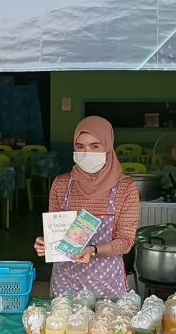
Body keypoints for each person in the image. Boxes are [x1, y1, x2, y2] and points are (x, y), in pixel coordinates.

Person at [34, 116, 139, 296]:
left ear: (107, 147)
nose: (87, 153)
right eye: (80, 147)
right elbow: (56, 231)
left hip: (106, 284)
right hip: (65, 282)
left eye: (95, 146)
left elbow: (126, 241)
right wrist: (46, 243)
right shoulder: (61, 184)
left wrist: (94, 250)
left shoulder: (125, 187)